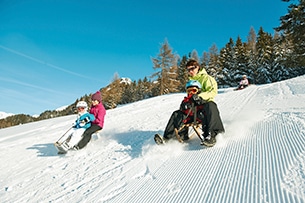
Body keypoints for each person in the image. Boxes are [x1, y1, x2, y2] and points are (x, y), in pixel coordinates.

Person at [156, 59, 225, 147]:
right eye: (188, 70)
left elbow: (212, 91)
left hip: (202, 109)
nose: (190, 71)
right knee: (177, 114)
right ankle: (169, 138)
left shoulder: (206, 78)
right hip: (192, 113)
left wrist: (200, 97)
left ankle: (214, 135)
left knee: (211, 105)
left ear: (198, 67)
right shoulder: (190, 81)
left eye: (192, 68)